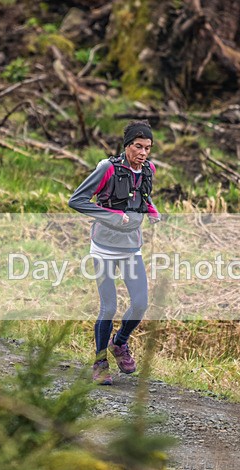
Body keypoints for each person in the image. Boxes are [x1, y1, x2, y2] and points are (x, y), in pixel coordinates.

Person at [68, 120, 161, 385]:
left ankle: (119, 343)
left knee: (140, 303)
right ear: (127, 145)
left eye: (147, 148)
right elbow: (77, 201)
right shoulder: (107, 168)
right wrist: (112, 216)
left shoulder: (149, 169)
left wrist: (151, 210)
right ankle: (100, 363)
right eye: (138, 146)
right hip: (104, 248)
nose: (143, 153)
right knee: (109, 307)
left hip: (131, 247)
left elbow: (141, 195)